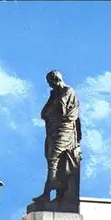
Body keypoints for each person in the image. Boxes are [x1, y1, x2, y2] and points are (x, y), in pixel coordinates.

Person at [33, 70, 82, 203]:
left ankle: (47, 193)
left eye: (50, 83)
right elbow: (44, 113)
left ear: (56, 80)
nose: (49, 86)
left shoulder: (67, 91)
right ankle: (57, 194)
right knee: (52, 160)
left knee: (54, 160)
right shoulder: (54, 93)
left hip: (64, 132)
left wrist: (53, 106)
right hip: (53, 132)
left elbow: (62, 111)